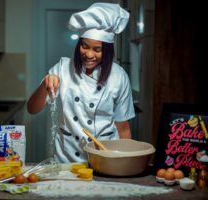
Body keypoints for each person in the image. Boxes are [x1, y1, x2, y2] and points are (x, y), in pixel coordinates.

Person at [27, 3, 135, 163]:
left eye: (97, 50)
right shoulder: (62, 69)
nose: (89, 54)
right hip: (67, 159)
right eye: (84, 46)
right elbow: (32, 109)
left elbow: (123, 127)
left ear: (107, 51)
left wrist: (127, 163)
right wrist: (45, 86)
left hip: (105, 157)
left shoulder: (119, 76)